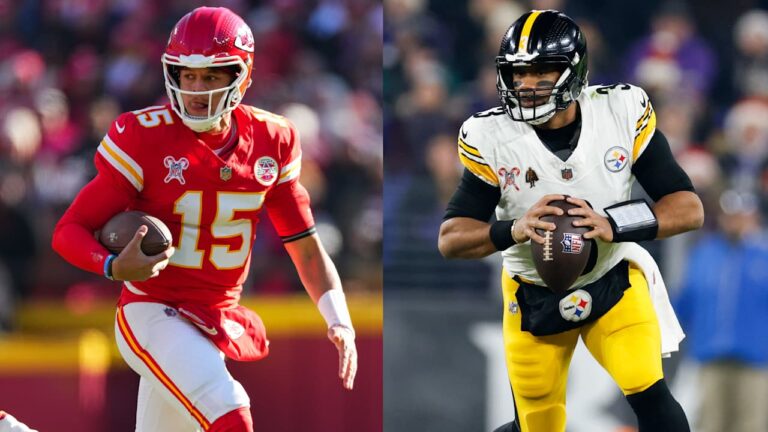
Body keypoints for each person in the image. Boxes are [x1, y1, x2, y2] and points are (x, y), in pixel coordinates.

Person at [52, 7, 357, 432]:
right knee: (231, 412)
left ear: (242, 75)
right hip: (153, 311)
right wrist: (111, 265)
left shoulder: (273, 138)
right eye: (186, 75)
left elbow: (303, 242)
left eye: (211, 76)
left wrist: (338, 318)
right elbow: (69, 230)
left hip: (213, 322)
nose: (196, 89)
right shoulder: (144, 136)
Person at [437, 9, 703, 432]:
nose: (526, 84)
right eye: (517, 73)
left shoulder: (619, 111)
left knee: (648, 390)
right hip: (532, 291)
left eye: (542, 71)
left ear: (575, 71)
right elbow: (451, 238)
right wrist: (514, 229)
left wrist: (614, 223)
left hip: (611, 276)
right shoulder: (491, 137)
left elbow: (688, 207)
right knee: (538, 425)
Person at [675, 189, 768, 432]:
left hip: (756, 359)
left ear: (754, 216)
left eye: (741, 215)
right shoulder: (705, 254)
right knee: (710, 423)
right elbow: (686, 300)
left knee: (751, 425)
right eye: (730, 215)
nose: (735, 221)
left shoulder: (764, 255)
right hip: (710, 355)